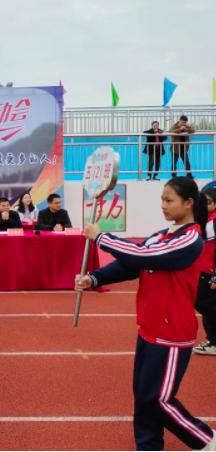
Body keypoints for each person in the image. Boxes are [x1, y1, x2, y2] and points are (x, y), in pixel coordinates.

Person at [76, 177, 215, 451]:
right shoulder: (160, 236)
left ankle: (207, 440)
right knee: (143, 396)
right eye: (162, 199)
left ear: (189, 203)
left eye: (169, 200)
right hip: (149, 328)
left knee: (157, 400)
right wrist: (94, 278)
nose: (163, 205)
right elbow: (130, 264)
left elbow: (143, 256)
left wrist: (102, 238)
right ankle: (148, 446)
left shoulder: (190, 239)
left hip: (172, 333)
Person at [194, 187, 216, 356]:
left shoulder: (213, 222)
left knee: (204, 304)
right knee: (205, 305)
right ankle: (212, 341)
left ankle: (214, 342)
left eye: (207, 202)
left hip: (211, 272)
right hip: (205, 269)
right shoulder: (206, 219)